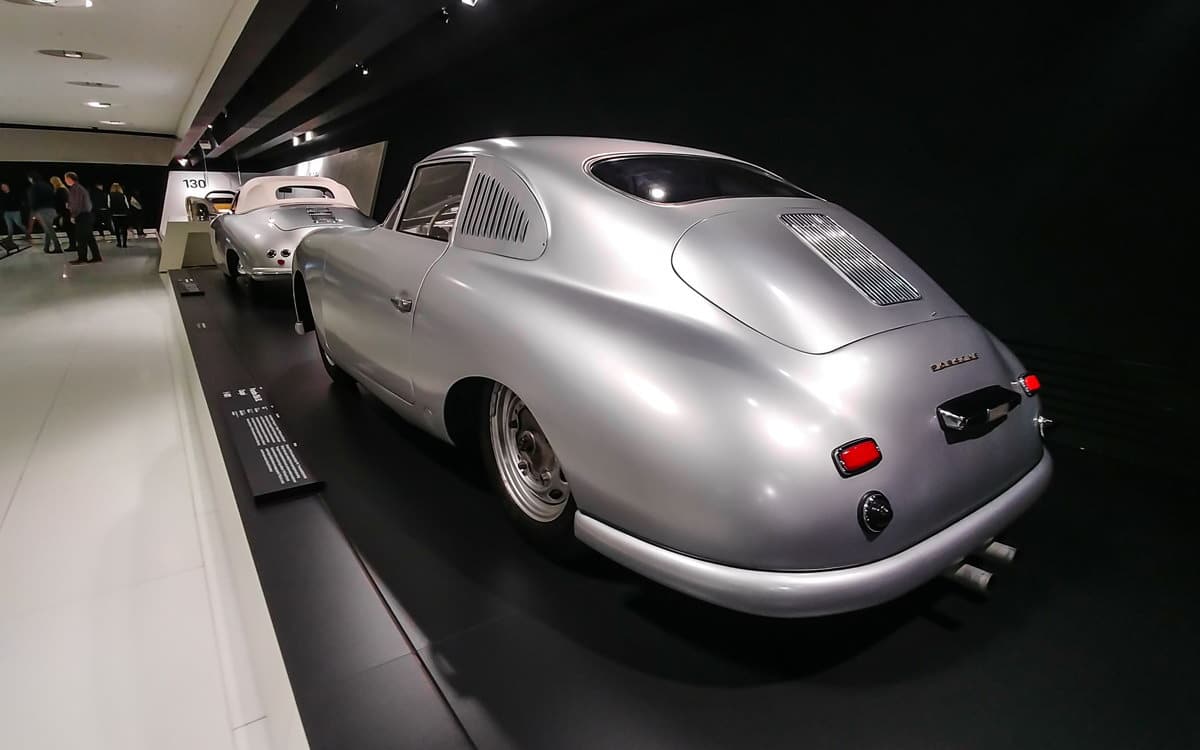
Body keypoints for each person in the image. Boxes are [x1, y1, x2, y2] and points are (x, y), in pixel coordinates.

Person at [65, 171, 101, 264]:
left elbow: (76, 203)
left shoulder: (75, 189)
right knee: (89, 237)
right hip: (87, 215)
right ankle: (96, 257)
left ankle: (82, 258)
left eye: (66, 178)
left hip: (82, 215)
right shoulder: (80, 188)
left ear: (69, 179)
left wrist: (73, 214)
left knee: (81, 238)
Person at [27, 172, 62, 254]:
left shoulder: (34, 187)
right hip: (51, 209)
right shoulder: (47, 186)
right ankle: (46, 247)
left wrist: (33, 211)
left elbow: (33, 200)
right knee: (47, 229)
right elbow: (54, 196)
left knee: (49, 229)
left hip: (42, 210)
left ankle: (57, 247)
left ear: (32, 178)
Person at [51, 176, 74, 253]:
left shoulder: (60, 190)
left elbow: (65, 201)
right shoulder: (63, 189)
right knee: (69, 229)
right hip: (65, 211)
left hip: (65, 212)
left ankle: (73, 245)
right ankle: (73, 245)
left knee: (69, 229)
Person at [107, 182, 130, 248]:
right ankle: (124, 244)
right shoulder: (123, 195)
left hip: (115, 214)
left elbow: (109, 205)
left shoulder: (110, 195)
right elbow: (127, 205)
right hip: (123, 214)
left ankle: (119, 243)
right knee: (124, 229)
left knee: (117, 229)